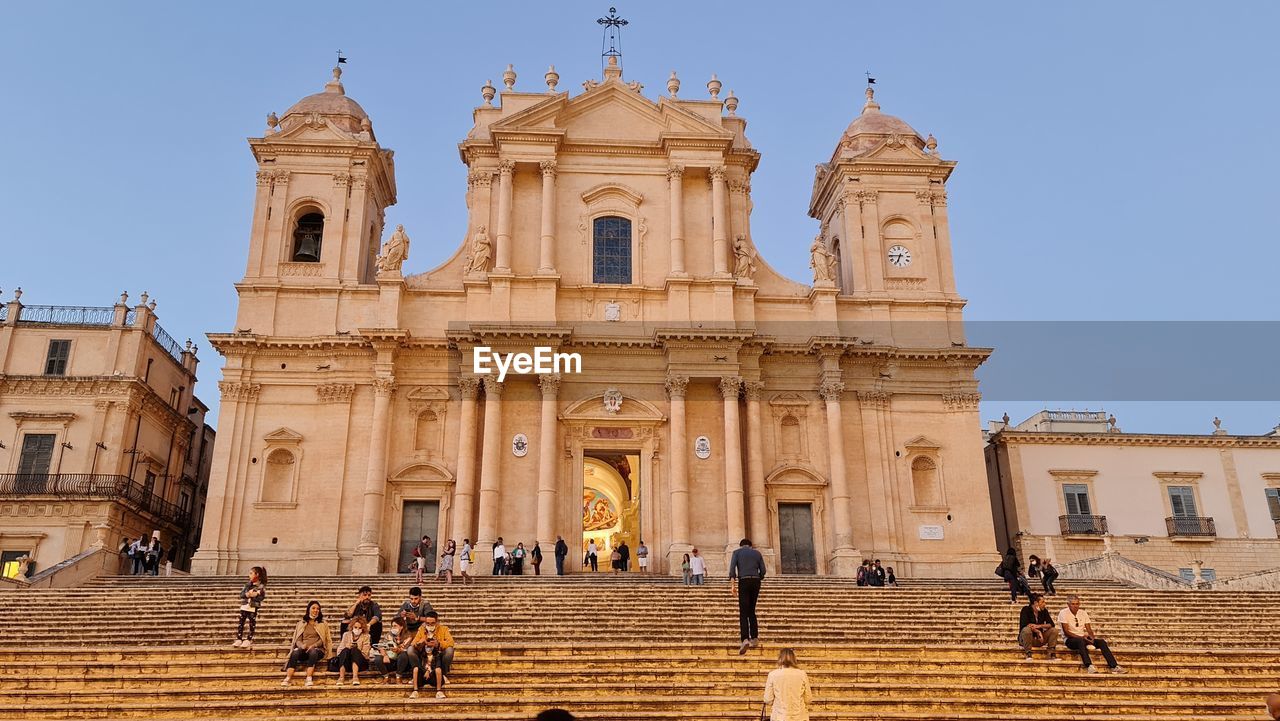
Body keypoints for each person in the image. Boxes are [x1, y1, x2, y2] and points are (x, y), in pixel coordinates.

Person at [1058, 596, 1125, 674]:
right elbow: (1066, 632)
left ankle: (1114, 666)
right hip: (1070, 640)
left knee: (1101, 642)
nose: (1075, 606)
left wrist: (1091, 638)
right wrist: (1082, 637)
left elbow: (1089, 629)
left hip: (1083, 638)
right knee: (1080, 641)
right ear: (1068, 604)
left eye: (1077, 604)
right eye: (1073, 604)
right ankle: (1089, 665)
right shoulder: (1063, 613)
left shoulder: (1083, 613)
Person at [729, 538, 767, 654]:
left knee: (743, 612)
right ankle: (754, 637)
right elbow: (763, 570)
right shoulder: (757, 553)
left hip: (744, 581)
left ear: (741, 546)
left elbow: (732, 570)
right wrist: (758, 577)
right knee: (752, 610)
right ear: (750, 546)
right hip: (755, 581)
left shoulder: (737, 553)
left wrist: (733, 585)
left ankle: (745, 639)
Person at [282, 600, 332, 687]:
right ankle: (288, 677)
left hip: (317, 649)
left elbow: (323, 639)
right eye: (313, 608)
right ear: (308, 609)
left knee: (313, 652)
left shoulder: (323, 624)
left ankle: (309, 678)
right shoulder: (301, 623)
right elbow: (297, 639)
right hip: (304, 649)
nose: (315, 610)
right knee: (295, 652)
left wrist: (314, 645)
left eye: (317, 609)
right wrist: (302, 645)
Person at [408, 610, 455, 700]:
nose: (430, 625)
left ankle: (443, 674)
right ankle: (417, 675)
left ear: (437, 622)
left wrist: (438, 644)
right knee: (410, 650)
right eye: (427, 623)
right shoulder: (421, 629)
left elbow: (451, 642)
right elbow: (413, 643)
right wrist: (420, 643)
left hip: (438, 656)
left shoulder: (444, 629)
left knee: (450, 650)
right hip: (424, 657)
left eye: (432, 623)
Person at [763, 648, 811, 721]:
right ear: (794, 659)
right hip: (799, 716)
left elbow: (768, 699)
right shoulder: (802, 674)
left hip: (779, 717)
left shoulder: (773, 674)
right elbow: (808, 699)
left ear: (780, 658)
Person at [233, 566, 267, 649]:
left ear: (257, 575)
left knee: (252, 623)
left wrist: (255, 595)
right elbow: (241, 595)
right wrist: (247, 594)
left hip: (253, 607)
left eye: (251, 573)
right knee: (241, 623)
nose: (249, 575)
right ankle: (239, 638)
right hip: (244, 606)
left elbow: (261, 598)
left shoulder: (261, 587)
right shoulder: (247, 585)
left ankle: (249, 639)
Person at [1018, 593, 1059, 660]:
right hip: (1026, 639)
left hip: (1039, 639)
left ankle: (1051, 654)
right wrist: (1038, 632)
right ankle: (1028, 653)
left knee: (1054, 630)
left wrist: (1039, 626)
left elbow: (1051, 624)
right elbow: (1025, 625)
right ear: (1036, 603)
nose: (1044, 604)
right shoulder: (1026, 610)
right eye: (1042, 602)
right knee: (1026, 630)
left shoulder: (1044, 610)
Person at [335, 615, 372, 686]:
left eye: (360, 628)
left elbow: (365, 654)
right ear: (352, 627)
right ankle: (341, 677)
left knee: (355, 650)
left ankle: (355, 677)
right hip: (346, 661)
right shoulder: (346, 635)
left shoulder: (366, 636)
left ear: (363, 628)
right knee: (345, 650)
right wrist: (347, 646)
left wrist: (357, 648)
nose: (357, 629)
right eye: (355, 627)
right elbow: (339, 651)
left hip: (360, 662)